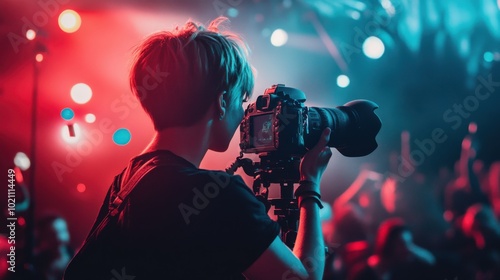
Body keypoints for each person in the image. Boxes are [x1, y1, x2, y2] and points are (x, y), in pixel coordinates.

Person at [64, 17, 333, 280]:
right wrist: (309, 185)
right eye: (241, 99)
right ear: (222, 101)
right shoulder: (219, 196)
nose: (243, 114)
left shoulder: (128, 178)